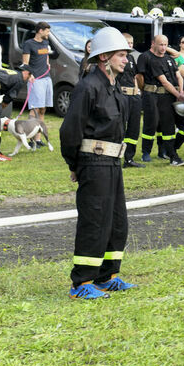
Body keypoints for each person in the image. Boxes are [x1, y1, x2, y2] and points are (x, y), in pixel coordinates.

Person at [60, 27, 136, 299]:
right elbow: (70, 130)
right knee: (95, 221)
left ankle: (107, 276)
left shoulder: (113, 86)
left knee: (116, 222)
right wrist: (74, 164)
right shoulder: (88, 87)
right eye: (121, 54)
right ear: (104, 57)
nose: (126, 59)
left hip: (113, 163)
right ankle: (81, 283)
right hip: (94, 163)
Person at [136, 34, 184, 166]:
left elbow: (179, 76)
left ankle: (164, 151)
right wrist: (144, 89)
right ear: (153, 44)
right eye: (161, 44)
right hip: (151, 94)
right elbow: (140, 77)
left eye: (165, 45)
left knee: (167, 124)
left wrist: (180, 92)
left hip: (167, 96)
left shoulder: (168, 58)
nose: (163, 47)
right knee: (151, 123)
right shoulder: (146, 57)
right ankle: (146, 152)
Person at [22, 21, 54, 142]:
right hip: (36, 79)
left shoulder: (46, 42)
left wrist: (47, 63)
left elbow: (46, 55)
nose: (48, 33)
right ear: (40, 31)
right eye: (47, 31)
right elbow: (25, 63)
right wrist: (29, 75)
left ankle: (38, 139)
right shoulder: (29, 44)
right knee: (35, 108)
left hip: (47, 78)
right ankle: (30, 137)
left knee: (43, 109)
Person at [119, 33, 144, 168]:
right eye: (127, 43)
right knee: (120, 127)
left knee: (134, 128)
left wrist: (138, 92)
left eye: (131, 43)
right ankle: (116, 156)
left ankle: (129, 158)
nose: (130, 45)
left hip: (134, 97)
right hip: (122, 95)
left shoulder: (131, 58)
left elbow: (135, 76)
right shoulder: (116, 58)